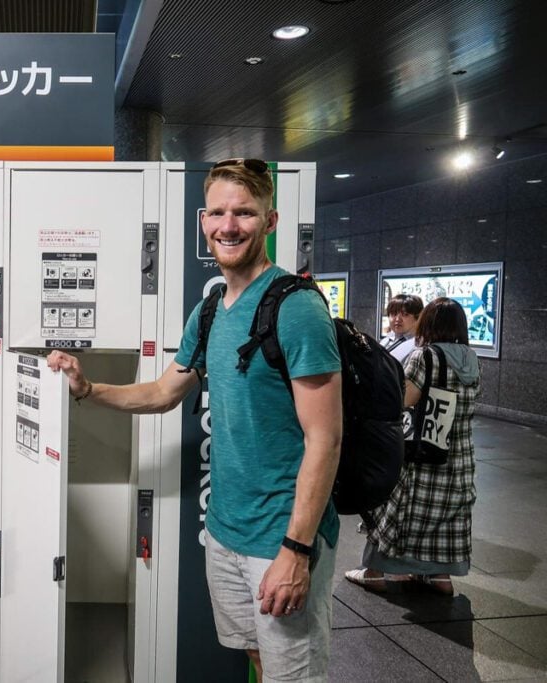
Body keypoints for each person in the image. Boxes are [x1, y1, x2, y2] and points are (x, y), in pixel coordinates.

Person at [48, 158, 342, 682]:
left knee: (294, 676)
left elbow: (326, 437)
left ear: (270, 222)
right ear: (203, 221)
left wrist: (296, 551)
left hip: (281, 536)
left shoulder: (296, 308)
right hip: (226, 531)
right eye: (220, 213)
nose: (229, 226)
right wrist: (88, 389)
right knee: (256, 655)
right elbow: (164, 391)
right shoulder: (210, 310)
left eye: (245, 213)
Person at [345, 297, 481, 595]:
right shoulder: (471, 359)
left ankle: (374, 570)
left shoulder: (425, 357)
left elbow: (403, 400)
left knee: (395, 507)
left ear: (428, 322)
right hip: (459, 456)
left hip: (424, 452)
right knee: (445, 516)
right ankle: (439, 576)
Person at [380, 294, 423, 363]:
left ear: (417, 317)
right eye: (393, 314)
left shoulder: (419, 345)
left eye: (405, 314)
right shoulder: (386, 340)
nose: (397, 319)